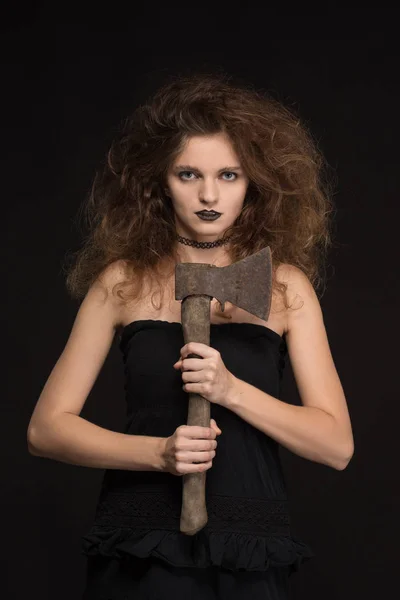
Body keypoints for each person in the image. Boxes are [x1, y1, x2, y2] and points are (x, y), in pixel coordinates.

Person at [27, 72, 354, 599]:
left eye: (229, 175)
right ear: (159, 181)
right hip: (142, 544)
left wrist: (231, 390)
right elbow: (46, 431)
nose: (208, 194)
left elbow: (336, 446)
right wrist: (157, 454)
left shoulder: (284, 287)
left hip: (249, 547)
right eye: (188, 174)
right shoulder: (122, 282)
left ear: (255, 183)